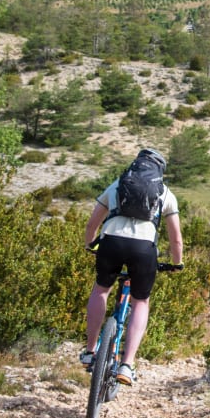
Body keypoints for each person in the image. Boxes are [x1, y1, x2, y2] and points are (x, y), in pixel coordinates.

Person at [80, 148, 183, 385]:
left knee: (101, 289)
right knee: (140, 302)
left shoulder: (117, 185)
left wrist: (90, 246)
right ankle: (127, 365)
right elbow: (176, 238)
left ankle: (89, 351)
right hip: (144, 249)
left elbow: (91, 224)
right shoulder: (165, 193)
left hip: (111, 243)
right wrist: (177, 264)